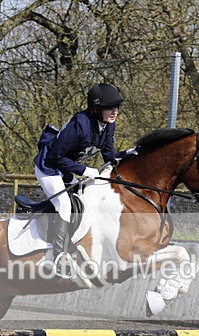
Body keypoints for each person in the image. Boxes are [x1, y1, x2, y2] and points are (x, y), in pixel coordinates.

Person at [33, 82, 136, 273]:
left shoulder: (108, 126)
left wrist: (128, 154)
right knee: (64, 204)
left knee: (84, 199)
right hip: (48, 166)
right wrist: (84, 170)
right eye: (109, 108)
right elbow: (55, 156)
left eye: (117, 107)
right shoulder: (80, 125)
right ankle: (56, 258)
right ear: (96, 109)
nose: (115, 112)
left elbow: (109, 156)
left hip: (65, 167)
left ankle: (77, 246)